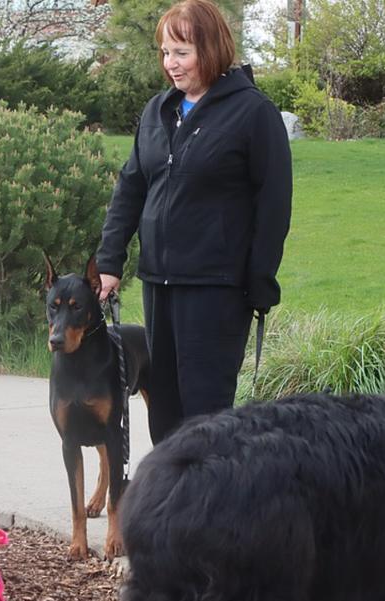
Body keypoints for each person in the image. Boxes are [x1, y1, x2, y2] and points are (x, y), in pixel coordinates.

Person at [95, 0, 292, 444]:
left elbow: (273, 205)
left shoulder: (253, 112)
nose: (171, 64)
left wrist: (260, 279)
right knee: (164, 409)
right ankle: (172, 506)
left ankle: (211, 508)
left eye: (181, 53)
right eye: (165, 53)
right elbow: (130, 188)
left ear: (211, 49)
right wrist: (109, 260)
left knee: (206, 414)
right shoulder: (158, 111)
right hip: (158, 283)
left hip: (216, 288)